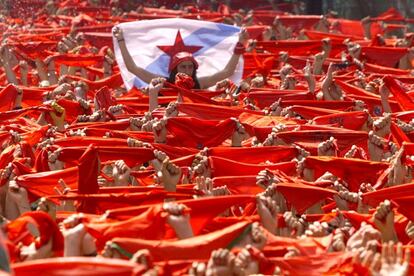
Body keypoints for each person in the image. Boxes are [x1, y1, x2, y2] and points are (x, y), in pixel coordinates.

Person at [112, 26, 248, 89]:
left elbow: (227, 72)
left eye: (190, 66)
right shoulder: (162, 83)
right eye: (183, 66)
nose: (187, 70)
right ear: (174, 68)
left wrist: (240, 44)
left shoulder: (200, 84)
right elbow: (132, 68)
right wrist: (121, 41)